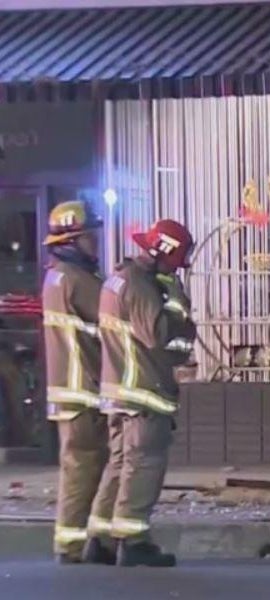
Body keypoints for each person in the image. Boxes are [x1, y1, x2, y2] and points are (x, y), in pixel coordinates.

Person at [94, 219, 196, 567]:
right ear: (165, 254)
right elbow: (161, 336)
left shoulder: (118, 278)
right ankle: (132, 539)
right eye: (176, 262)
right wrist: (177, 301)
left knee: (120, 464)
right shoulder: (141, 285)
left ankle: (101, 538)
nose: (177, 269)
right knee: (144, 464)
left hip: (117, 391)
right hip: (144, 392)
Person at [40, 201, 114, 565]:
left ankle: (76, 542)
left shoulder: (55, 277)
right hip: (84, 391)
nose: (95, 245)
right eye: (89, 238)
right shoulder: (79, 280)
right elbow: (115, 321)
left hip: (68, 391)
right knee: (85, 467)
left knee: (79, 467)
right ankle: (75, 545)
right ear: (71, 240)